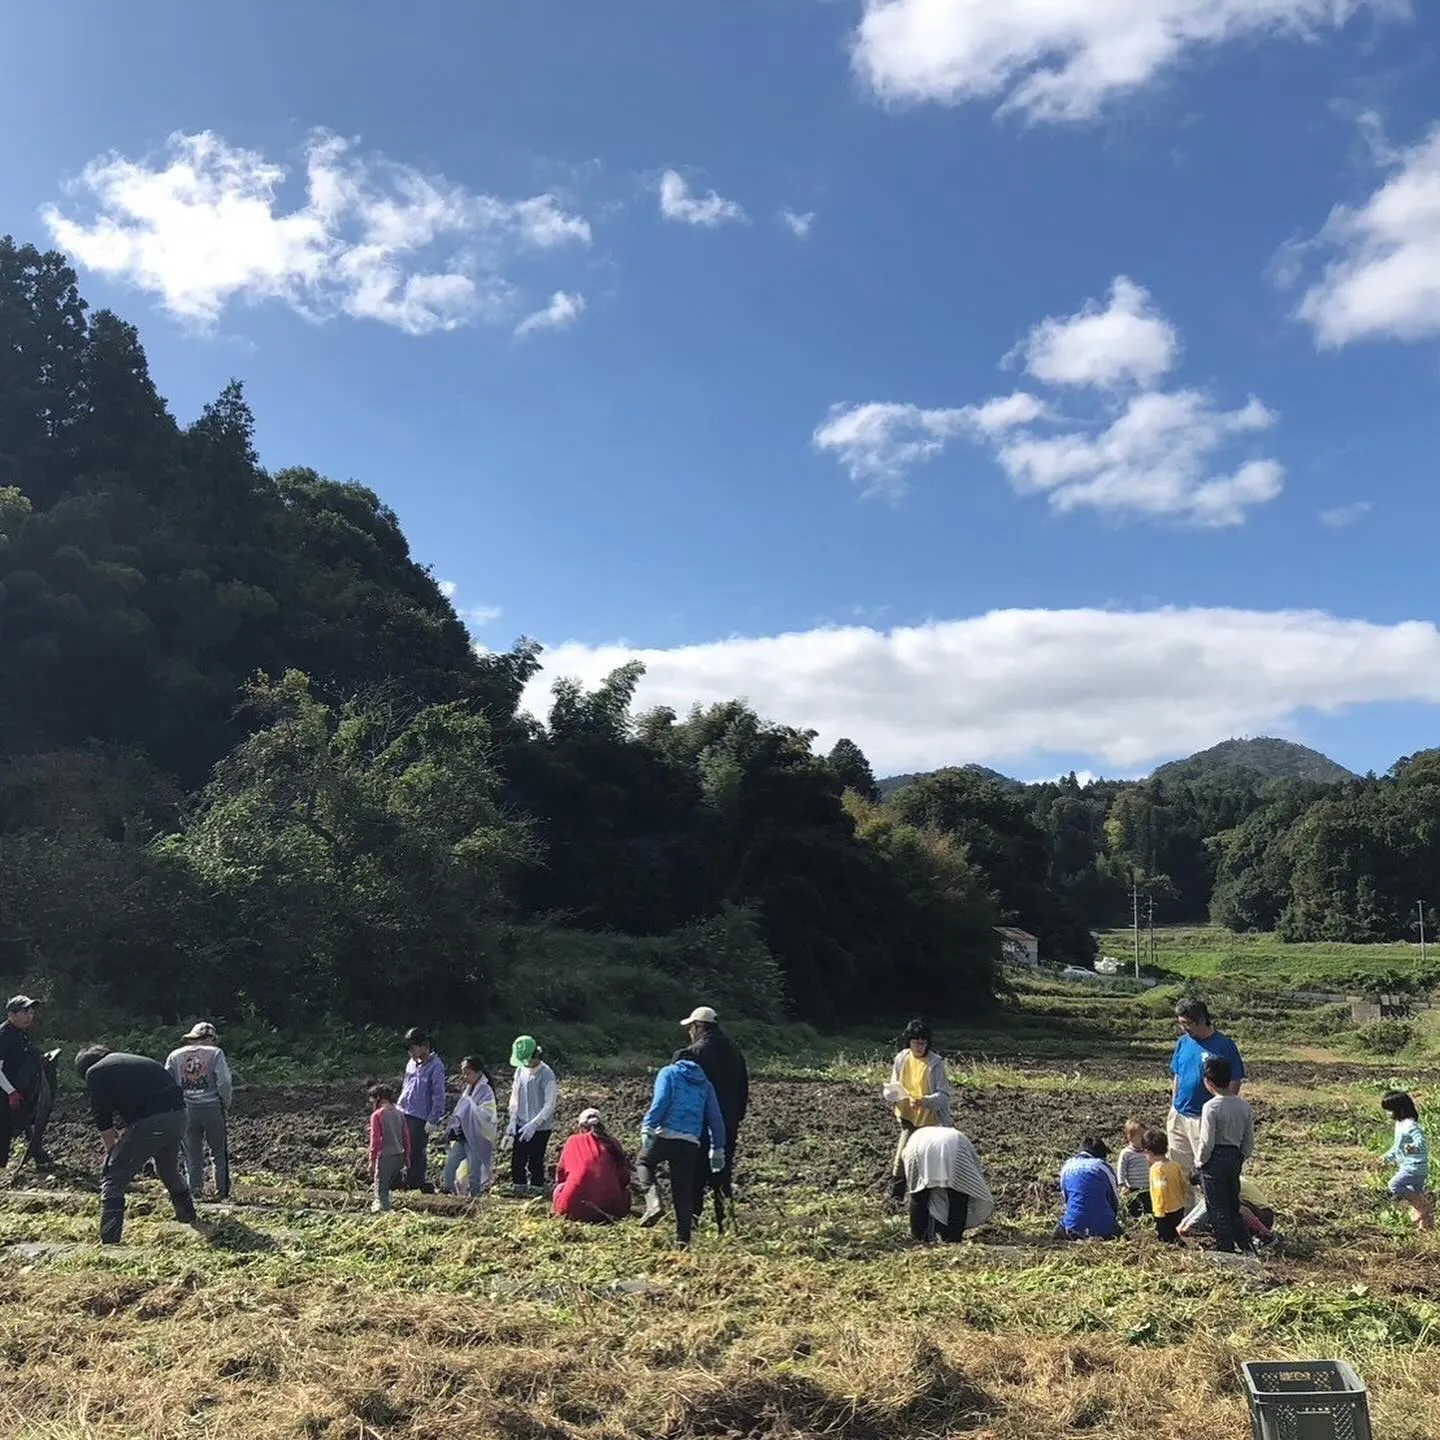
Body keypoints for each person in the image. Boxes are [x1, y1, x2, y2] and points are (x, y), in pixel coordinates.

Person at [75, 1045, 199, 1244]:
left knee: (114, 1177)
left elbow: (102, 1116)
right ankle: (189, 1218)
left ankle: (110, 1240)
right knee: (167, 1170)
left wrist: (111, 1150)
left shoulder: (95, 1072)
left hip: (152, 1120)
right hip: (179, 1115)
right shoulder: (133, 1061)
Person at [637, 1054, 726, 1248]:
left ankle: (654, 1203)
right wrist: (717, 1147)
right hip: (689, 1142)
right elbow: (715, 1117)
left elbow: (661, 1100)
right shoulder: (705, 1084)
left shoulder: (668, 1072)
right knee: (683, 1192)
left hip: (665, 1135)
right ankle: (682, 1242)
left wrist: (649, 1126)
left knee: (644, 1162)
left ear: (675, 1061)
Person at [678, 1005, 749, 1234]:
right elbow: (742, 1090)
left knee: (695, 1177)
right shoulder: (735, 1053)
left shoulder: (693, 1054)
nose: (689, 1032)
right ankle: (726, 1226)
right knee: (722, 1176)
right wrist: (735, 1119)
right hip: (726, 1125)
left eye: (690, 1027)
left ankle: (692, 1225)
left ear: (698, 1026)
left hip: (698, 1124)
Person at [1167, 998, 1244, 1207]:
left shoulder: (1224, 1046)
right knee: (1180, 1170)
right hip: (1180, 1115)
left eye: (1188, 1024)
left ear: (1202, 1020)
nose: (1184, 1028)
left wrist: (1223, 1109)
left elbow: (1235, 1080)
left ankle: (1212, 1214)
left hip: (1206, 1117)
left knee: (1207, 1171)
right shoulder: (1182, 1043)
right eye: (1181, 1023)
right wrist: (1174, 1105)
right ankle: (1187, 1217)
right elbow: (1178, 1076)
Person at [165, 1021, 234, 1201]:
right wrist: (225, 1103)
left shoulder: (175, 1055)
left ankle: (195, 1192)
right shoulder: (216, 1053)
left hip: (186, 1110)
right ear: (211, 1038)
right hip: (212, 1108)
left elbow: (167, 1083)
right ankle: (222, 1192)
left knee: (191, 1154)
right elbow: (224, 1082)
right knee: (218, 1153)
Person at [885, 1019, 952, 1200]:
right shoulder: (902, 1059)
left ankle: (930, 1196)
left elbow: (944, 1096)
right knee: (902, 1156)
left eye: (923, 1043)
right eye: (916, 1042)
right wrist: (892, 1094)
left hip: (930, 1122)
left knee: (929, 1160)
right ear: (909, 1042)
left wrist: (925, 1101)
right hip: (908, 1117)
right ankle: (896, 1197)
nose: (920, 1047)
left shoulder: (935, 1063)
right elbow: (894, 1084)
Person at [1195, 1055, 1254, 1254]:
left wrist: (1200, 1162)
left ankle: (1225, 1249)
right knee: (1232, 1204)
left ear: (1208, 1082)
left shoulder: (1211, 1107)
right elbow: (1248, 1139)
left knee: (1216, 1207)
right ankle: (1246, 1246)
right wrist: (1241, 1157)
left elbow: (1206, 1141)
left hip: (1215, 1159)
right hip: (1234, 1156)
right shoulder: (1243, 1106)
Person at [900, 1124, 994, 1244]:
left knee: (919, 1195)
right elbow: (973, 1171)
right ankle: (954, 1239)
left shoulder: (919, 1135)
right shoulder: (961, 1139)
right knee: (959, 1197)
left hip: (916, 1146)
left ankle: (918, 1238)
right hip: (952, 1147)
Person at [553, 1108, 633, 1223]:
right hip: (611, 1211)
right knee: (626, 1193)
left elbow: (560, 1174)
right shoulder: (613, 1142)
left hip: (573, 1210)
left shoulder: (573, 1141)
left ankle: (561, 1210)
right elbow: (624, 1178)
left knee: (559, 1188)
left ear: (581, 1127)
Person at [0, 996, 52, 1169]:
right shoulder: (4, 1035)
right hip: (4, 1090)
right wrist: (10, 1092)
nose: (29, 1016)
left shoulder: (21, 1033)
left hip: (19, 1089)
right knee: (3, 1130)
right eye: (25, 1011)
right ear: (11, 1014)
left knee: (29, 1120)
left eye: (31, 1011)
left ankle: (37, 1154)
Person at [506, 1036, 558, 1195]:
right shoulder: (520, 1070)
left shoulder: (546, 1074)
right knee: (517, 1160)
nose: (526, 1064)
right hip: (521, 1122)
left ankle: (537, 1189)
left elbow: (549, 1104)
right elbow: (515, 1096)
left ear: (536, 1055)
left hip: (541, 1126)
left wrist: (534, 1124)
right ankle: (519, 1187)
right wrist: (513, 1119)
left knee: (535, 1160)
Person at [440, 1057, 498, 1197]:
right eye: (464, 1073)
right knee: (450, 1166)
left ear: (478, 1072)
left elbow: (488, 1114)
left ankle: (475, 1197)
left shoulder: (485, 1090)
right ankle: (449, 1192)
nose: (465, 1077)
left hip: (476, 1137)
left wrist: (470, 1110)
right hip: (462, 1136)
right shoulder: (468, 1090)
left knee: (474, 1170)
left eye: (468, 1073)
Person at [397, 1028, 446, 1193]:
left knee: (416, 1151)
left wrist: (434, 1119)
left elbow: (438, 1095)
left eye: (413, 1048)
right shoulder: (411, 1064)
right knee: (399, 1147)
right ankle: (399, 1180)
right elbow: (406, 1087)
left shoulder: (435, 1066)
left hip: (420, 1117)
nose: (410, 1052)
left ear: (424, 1046)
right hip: (404, 1111)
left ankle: (415, 1183)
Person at [1380, 1090, 1433, 1232]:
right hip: (1410, 1166)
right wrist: (1386, 1158)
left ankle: (1424, 1206)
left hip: (1414, 1167)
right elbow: (1397, 1148)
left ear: (1399, 1109)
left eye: (1389, 1110)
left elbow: (1421, 1141)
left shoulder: (1410, 1125)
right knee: (1416, 1192)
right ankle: (1426, 1227)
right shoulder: (1400, 1124)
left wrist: (1413, 1147)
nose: (1387, 1114)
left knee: (1394, 1185)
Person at [1178, 1174, 1276, 1245]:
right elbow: (1204, 1203)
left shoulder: (1222, 1183)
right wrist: (1184, 1223)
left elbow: (1209, 1205)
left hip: (1263, 1216)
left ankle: (1265, 1233)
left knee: (1230, 1204)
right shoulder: (1224, 1177)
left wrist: (1191, 1225)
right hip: (1260, 1212)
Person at [1055, 1138, 1121, 1240]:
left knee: (1058, 1232)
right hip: (1104, 1228)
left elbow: (1066, 1198)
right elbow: (1114, 1198)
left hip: (1073, 1228)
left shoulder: (1067, 1167)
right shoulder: (1103, 1167)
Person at [368, 1083, 409, 1213]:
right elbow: (406, 1136)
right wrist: (407, 1156)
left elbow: (376, 1140)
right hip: (399, 1156)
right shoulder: (400, 1114)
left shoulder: (377, 1115)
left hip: (385, 1156)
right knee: (388, 1186)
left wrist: (372, 1160)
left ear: (378, 1099)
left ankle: (384, 1213)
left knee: (381, 1190)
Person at [1142, 1128, 1188, 1244]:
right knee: (1176, 1234)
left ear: (1149, 1152)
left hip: (1164, 1211)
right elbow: (1183, 1184)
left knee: (1165, 1239)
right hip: (1178, 1206)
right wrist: (1181, 1199)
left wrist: (1158, 1212)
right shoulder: (1175, 1165)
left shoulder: (1156, 1170)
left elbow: (1160, 1191)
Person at [1116, 1118, 1152, 1218]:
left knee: (1148, 1207)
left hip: (1148, 1186)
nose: (1143, 1139)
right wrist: (1122, 1184)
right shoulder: (1126, 1153)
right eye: (1140, 1137)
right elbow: (1121, 1169)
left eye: (1144, 1136)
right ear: (1130, 1137)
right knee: (1134, 1209)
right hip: (1133, 1188)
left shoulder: (1148, 1151)